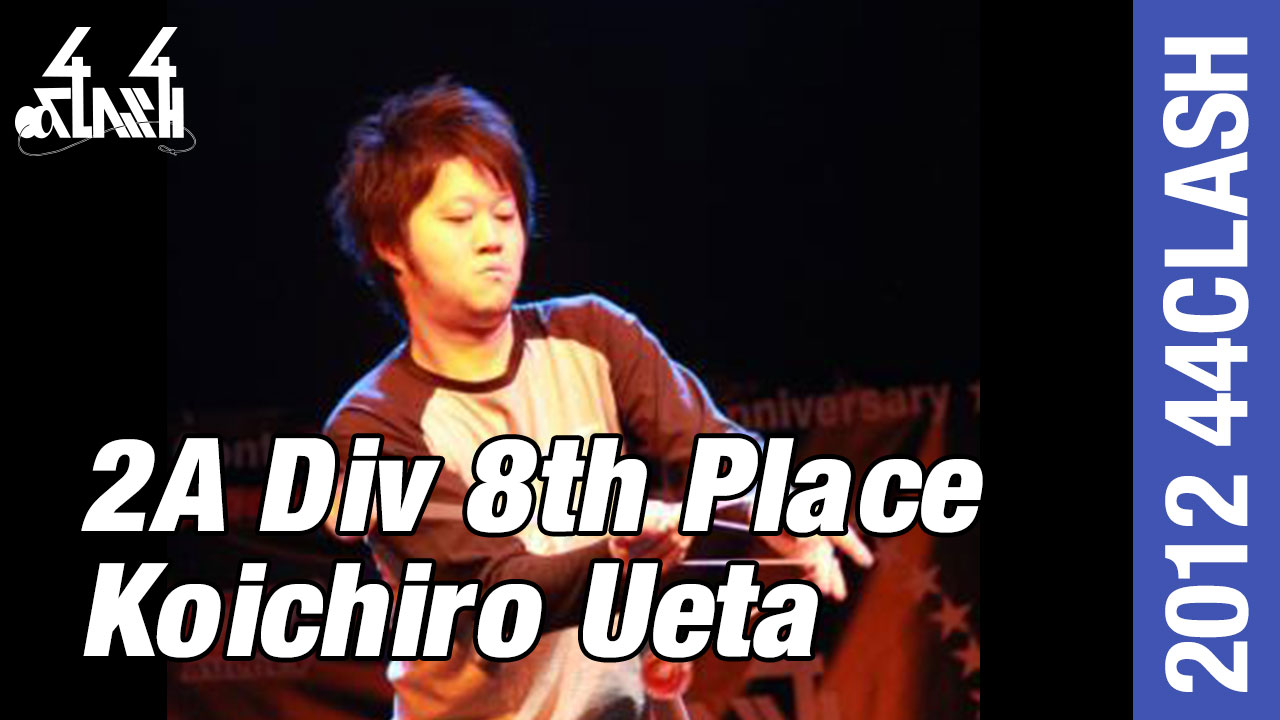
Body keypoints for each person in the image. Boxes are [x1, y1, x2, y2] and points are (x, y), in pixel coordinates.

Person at [323, 77, 873, 720]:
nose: (492, 238)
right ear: (390, 244)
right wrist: (617, 553)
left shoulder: (592, 333)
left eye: (505, 214)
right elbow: (493, 592)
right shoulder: (374, 425)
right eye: (459, 219)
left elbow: (708, 446)